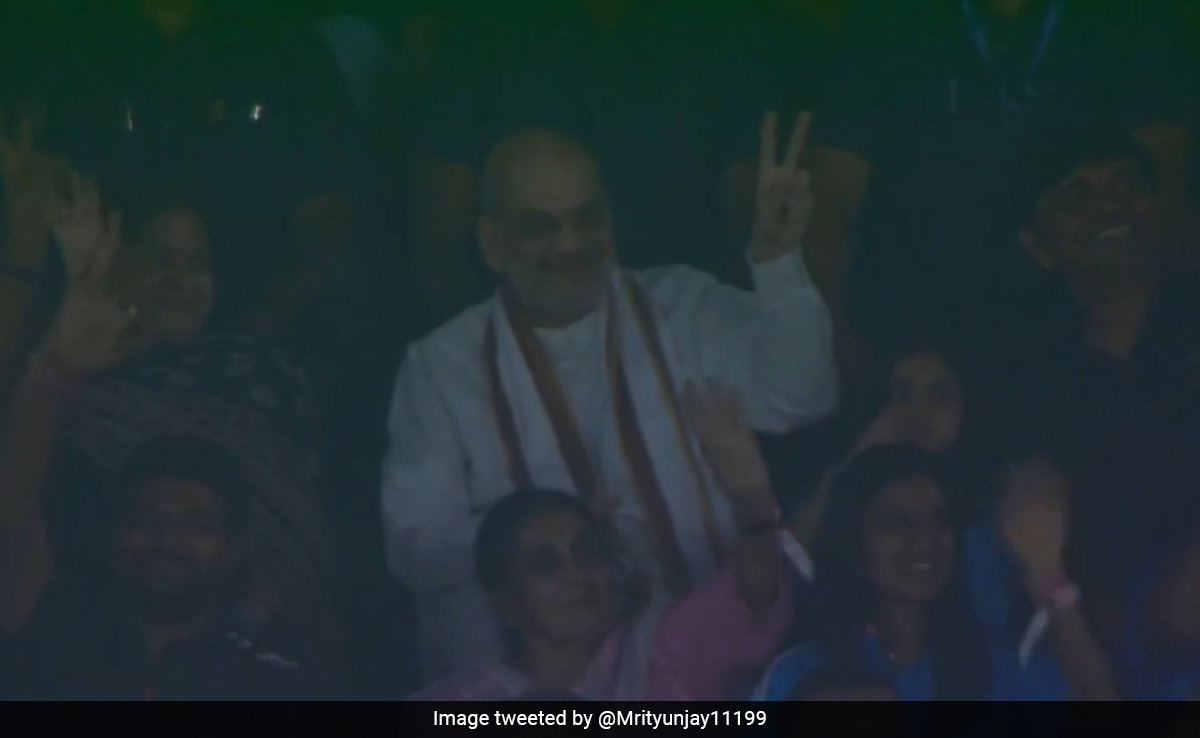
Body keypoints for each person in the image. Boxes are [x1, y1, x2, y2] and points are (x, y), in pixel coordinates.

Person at [383, 117, 838, 677]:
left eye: (586, 217)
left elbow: (803, 396)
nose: (570, 243)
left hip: (706, 673)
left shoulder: (682, 307)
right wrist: (540, 532)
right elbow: (415, 546)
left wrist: (775, 260)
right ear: (492, 243)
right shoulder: (440, 369)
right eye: (540, 226)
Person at [2, 166, 338, 678]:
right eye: (162, 261)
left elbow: (286, 535)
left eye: (197, 264)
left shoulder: (262, 373)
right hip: (89, 640)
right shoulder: (70, 383)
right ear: (122, 266)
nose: (181, 281)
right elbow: (18, 518)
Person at [788, 0, 1196, 364]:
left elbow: (1165, 187)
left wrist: (1155, 338)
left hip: (1091, 334)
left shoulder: (1130, 13)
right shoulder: (890, 18)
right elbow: (829, 194)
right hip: (923, 342)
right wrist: (836, 338)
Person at [410, 384, 797, 700]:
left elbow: (751, 598)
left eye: (586, 551)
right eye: (547, 564)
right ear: (506, 602)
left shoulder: (659, 655)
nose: (576, 573)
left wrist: (751, 499)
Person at [987, 125, 1200, 627]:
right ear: (1038, 246)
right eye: (1077, 195)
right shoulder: (1025, 384)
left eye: (1126, 185)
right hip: (1098, 653)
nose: (1110, 207)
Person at [754, 445, 1119, 701]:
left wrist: (1049, 577)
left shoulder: (991, 665)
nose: (925, 540)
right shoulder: (798, 670)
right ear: (853, 539)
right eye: (899, 523)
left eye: (940, 520)